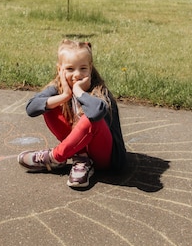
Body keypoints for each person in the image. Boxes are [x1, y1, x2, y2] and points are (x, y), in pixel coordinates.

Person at [18, 39, 127, 188]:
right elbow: (31, 108)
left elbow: (96, 113)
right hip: (80, 149)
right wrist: (64, 97)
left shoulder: (99, 90)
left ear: (90, 68)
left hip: (106, 159)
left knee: (91, 120)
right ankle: (81, 160)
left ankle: (54, 157)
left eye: (83, 68)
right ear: (60, 70)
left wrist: (78, 91)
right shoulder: (59, 87)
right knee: (49, 105)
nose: (77, 75)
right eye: (70, 69)